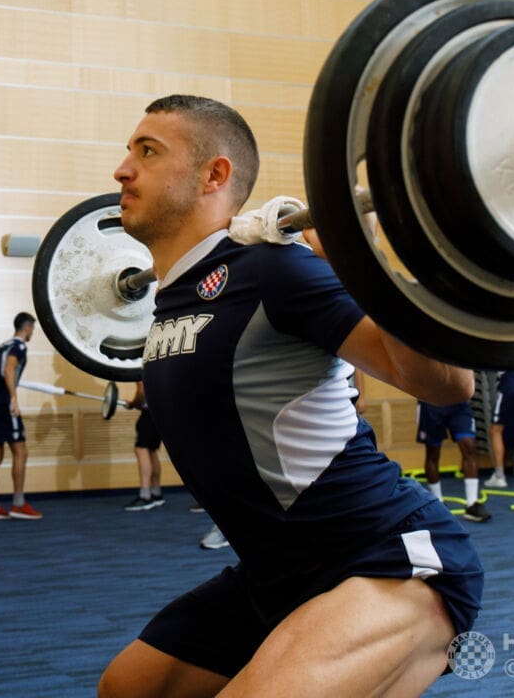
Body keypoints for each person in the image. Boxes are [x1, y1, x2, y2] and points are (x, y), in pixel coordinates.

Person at [98, 95, 483, 697]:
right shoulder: (172, 297)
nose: (123, 169)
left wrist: (366, 262)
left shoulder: (275, 271)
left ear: (214, 175)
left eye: (147, 152)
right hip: (276, 574)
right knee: (129, 689)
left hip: (387, 558)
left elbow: (450, 385)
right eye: (129, 152)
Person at [0, 312, 42, 520]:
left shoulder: (2, 345)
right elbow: (8, 370)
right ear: (26, 328)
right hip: (3, 402)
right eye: (32, 329)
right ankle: (18, 504)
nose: (32, 332)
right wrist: (13, 399)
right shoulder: (20, 346)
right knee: (21, 452)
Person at [416, 401, 491, 522]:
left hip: (458, 401)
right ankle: (437, 501)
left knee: (469, 447)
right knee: (432, 453)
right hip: (431, 402)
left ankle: (472, 504)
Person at [124, 382, 165, 511]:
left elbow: (142, 394)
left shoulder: (140, 364)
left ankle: (145, 496)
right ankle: (156, 493)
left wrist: (133, 404)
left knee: (141, 449)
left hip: (149, 414)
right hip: (160, 413)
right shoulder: (159, 363)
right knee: (152, 451)